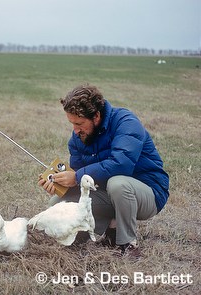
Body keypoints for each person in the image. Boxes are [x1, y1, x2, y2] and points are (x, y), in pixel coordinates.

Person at [38, 84, 169, 257]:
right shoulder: (78, 137)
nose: (75, 130)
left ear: (97, 116)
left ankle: (128, 245)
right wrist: (60, 186)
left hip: (148, 193)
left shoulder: (126, 122)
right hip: (107, 191)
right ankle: (107, 228)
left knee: (118, 184)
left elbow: (121, 164)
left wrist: (76, 177)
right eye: (72, 124)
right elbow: (82, 179)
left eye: (79, 123)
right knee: (57, 203)